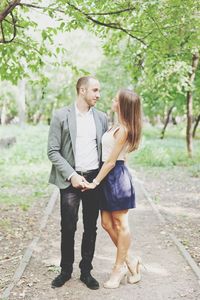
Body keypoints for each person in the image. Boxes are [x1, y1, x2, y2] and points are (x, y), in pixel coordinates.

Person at [47, 76, 108, 290]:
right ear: (82, 90)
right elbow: (53, 151)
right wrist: (72, 175)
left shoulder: (102, 118)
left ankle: (86, 271)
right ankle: (65, 271)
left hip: (93, 179)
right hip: (70, 179)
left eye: (98, 90)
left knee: (91, 227)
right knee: (68, 227)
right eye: (95, 90)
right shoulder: (61, 116)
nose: (98, 95)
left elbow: (106, 152)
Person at [82, 88, 142, 289]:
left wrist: (95, 182)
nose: (113, 101)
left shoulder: (124, 130)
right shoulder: (116, 126)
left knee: (121, 223)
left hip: (115, 176)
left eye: (116, 99)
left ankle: (118, 269)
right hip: (108, 175)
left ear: (123, 105)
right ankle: (131, 260)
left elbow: (110, 161)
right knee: (107, 223)